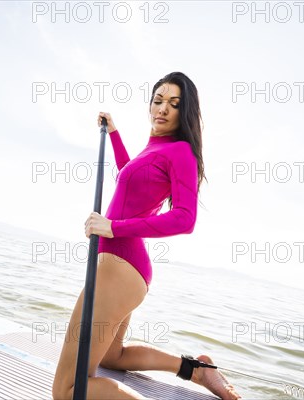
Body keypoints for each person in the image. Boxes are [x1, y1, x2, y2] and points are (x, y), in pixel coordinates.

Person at [52, 72, 241, 400]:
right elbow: (131, 176)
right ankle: (196, 369)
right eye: (158, 100)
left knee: (68, 390)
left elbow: (185, 219)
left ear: (186, 113)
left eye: (174, 104)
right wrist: (114, 133)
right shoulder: (155, 147)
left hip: (119, 267)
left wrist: (113, 227)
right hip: (125, 267)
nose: (163, 108)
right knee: (114, 357)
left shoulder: (181, 151)